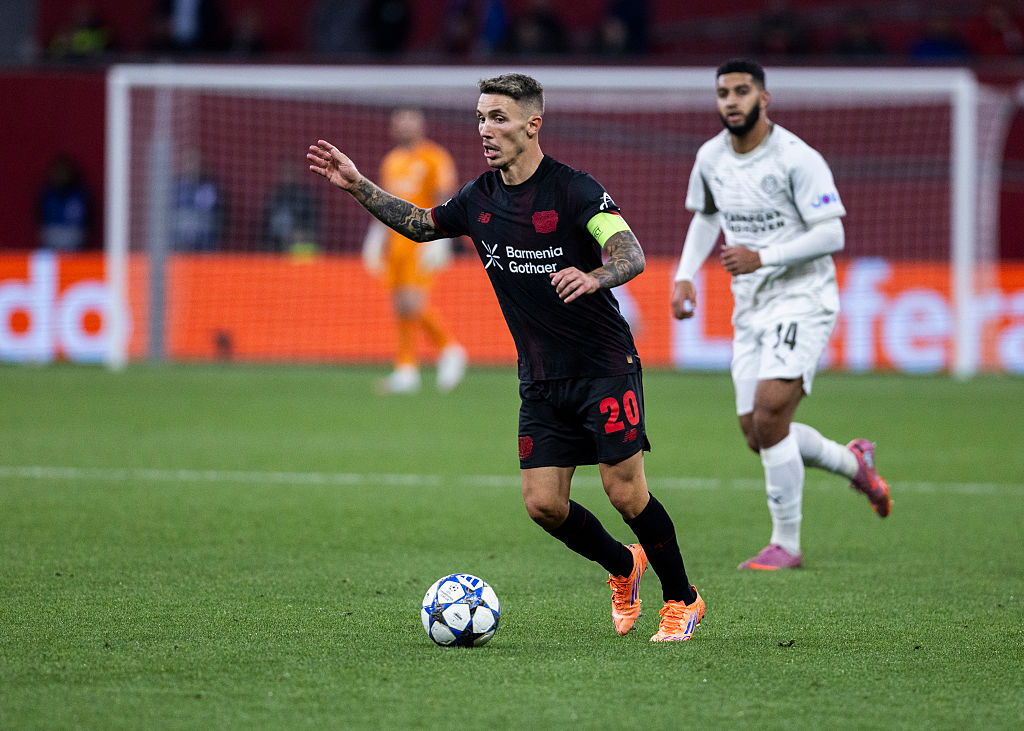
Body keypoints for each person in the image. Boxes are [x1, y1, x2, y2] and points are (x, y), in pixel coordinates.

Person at [309, 73, 705, 641]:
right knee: (544, 505)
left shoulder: (575, 190)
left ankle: (683, 599)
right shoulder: (479, 198)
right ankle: (624, 565)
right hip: (541, 376)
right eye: (479, 118)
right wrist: (357, 184)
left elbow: (630, 252)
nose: (485, 130)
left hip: (602, 365)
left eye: (497, 118)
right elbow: (421, 225)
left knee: (624, 491)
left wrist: (595, 277)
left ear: (532, 124)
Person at [671, 58, 892, 572]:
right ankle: (854, 462)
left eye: (742, 91)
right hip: (750, 303)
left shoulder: (797, 157)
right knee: (757, 432)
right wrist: (684, 274)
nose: (731, 101)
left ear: (763, 98)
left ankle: (786, 545)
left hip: (802, 297)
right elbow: (706, 216)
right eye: (723, 92)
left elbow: (832, 232)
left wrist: (763, 257)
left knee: (771, 414)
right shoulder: (710, 157)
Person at [361, 108, 466, 394]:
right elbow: (382, 202)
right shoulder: (391, 161)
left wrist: (441, 238)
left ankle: (450, 349)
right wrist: (375, 236)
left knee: (412, 302)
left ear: (421, 126)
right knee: (399, 304)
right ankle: (406, 369)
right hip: (395, 242)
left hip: (422, 239)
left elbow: (444, 196)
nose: (403, 127)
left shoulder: (434, 157)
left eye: (409, 122)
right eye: (398, 123)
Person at [172, 147, 225, 251]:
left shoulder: (209, 187)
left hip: (204, 245)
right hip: (179, 245)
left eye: (194, 162)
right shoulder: (176, 187)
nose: (191, 166)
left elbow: (216, 215)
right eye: (188, 162)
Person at [37, 152, 92, 251]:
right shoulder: (47, 194)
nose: (60, 175)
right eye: (57, 171)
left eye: (63, 171)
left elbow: (87, 223)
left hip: (75, 243)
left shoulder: (80, 195)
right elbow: (41, 221)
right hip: (50, 241)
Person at [262, 161, 321, 254]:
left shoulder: (304, 196)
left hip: (297, 240)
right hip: (274, 241)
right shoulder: (275, 195)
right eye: (286, 173)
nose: (288, 176)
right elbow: (264, 222)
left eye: (291, 173)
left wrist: (299, 232)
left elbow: (312, 222)